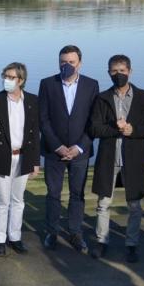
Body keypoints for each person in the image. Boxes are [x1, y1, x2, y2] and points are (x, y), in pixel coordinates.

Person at [88, 55, 144, 263]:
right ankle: (102, 241)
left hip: (133, 157)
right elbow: (94, 128)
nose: (118, 75)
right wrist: (113, 129)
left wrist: (132, 130)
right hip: (109, 156)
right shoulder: (102, 98)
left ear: (130, 71)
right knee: (103, 202)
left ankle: (131, 244)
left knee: (134, 204)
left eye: (122, 70)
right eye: (114, 71)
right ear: (109, 72)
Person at [38, 45, 99, 254]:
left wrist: (80, 146)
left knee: (77, 194)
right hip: (54, 151)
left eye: (71, 62)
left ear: (79, 63)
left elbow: (93, 120)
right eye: (63, 62)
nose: (67, 66)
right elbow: (43, 119)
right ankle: (51, 232)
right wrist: (57, 146)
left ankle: (75, 233)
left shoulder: (91, 85)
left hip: (80, 152)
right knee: (53, 193)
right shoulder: (47, 84)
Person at [0, 62, 41, 256]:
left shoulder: (32, 101)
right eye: (5, 76)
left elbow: (34, 135)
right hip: (2, 158)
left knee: (18, 200)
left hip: (23, 157)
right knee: (2, 201)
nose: (6, 80)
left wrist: (35, 162)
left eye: (11, 77)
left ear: (21, 80)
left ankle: (15, 237)